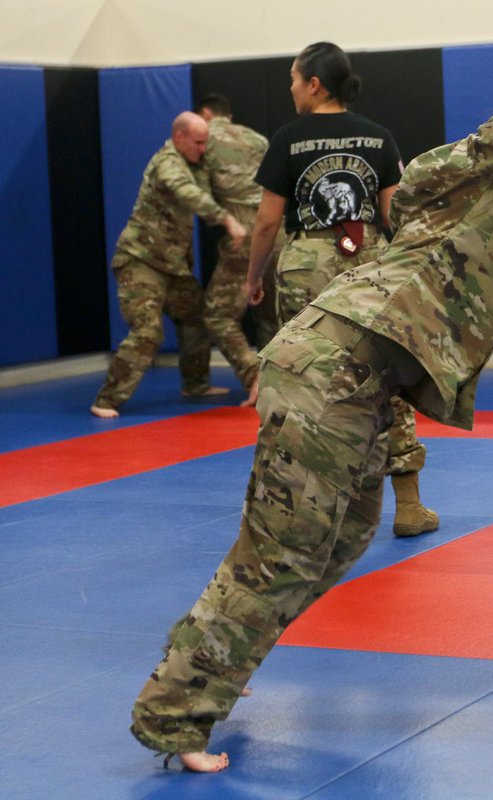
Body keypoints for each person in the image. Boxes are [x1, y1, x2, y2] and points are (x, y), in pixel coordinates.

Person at [130, 29, 493, 772]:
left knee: (342, 535)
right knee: (279, 555)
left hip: (365, 390)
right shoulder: (485, 178)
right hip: (330, 369)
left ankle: (211, 679)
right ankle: (176, 712)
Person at [243, 42, 440, 537]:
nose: (290, 87)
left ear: (314, 83)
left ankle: (301, 509)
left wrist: (253, 277)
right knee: (386, 373)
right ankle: (410, 505)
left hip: (305, 263)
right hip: (369, 260)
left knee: (303, 377)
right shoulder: (377, 138)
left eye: (293, 77)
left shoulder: (288, 139)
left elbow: (267, 222)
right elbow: (397, 213)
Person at [90, 112, 247, 418]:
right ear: (180, 137)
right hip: (141, 261)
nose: (202, 149)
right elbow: (188, 194)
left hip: (172, 266)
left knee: (196, 317)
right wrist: (225, 219)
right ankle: (106, 400)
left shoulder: (192, 164)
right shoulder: (167, 163)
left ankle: (196, 383)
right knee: (147, 332)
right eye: (198, 143)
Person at [195, 93, 280, 407]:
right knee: (271, 314)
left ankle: (252, 374)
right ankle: (278, 384)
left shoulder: (203, 138)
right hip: (280, 231)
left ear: (205, 114)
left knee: (218, 314)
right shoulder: (257, 139)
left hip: (246, 235)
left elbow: (198, 191)